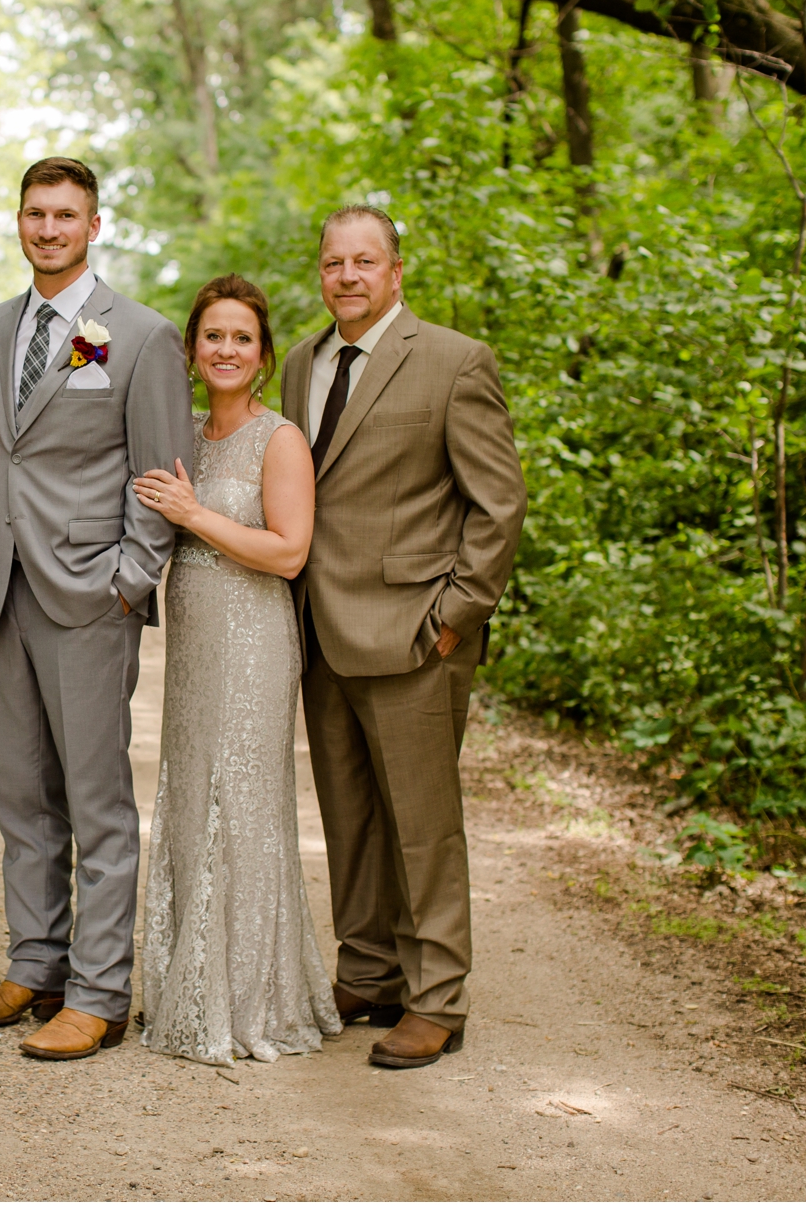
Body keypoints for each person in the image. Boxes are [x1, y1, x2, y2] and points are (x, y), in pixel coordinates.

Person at [278, 205, 526, 1069]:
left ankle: (438, 997)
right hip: (319, 628)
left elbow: (498, 504)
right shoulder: (302, 362)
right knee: (348, 817)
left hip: (417, 631)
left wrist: (456, 616)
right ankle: (371, 969)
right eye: (333, 262)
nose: (347, 276)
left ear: (395, 271)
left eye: (364, 261)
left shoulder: (456, 362)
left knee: (423, 825)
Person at [0, 157, 192, 1061]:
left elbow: (162, 471)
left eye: (65, 215)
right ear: (18, 222)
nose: (47, 229)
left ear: (93, 225)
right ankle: (39, 958)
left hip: (93, 592)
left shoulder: (137, 336)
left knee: (97, 802)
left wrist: (130, 579)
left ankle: (100, 990)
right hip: (4, 589)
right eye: (34, 214)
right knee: (21, 794)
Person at [130, 275, 341, 1066]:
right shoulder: (182, 433)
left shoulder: (277, 437)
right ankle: (188, 990)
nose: (225, 350)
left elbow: (288, 552)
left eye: (241, 338)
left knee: (242, 800)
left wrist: (196, 516)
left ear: (262, 354)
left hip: (254, 636)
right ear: (191, 348)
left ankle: (251, 998)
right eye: (212, 336)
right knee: (189, 796)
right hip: (192, 638)